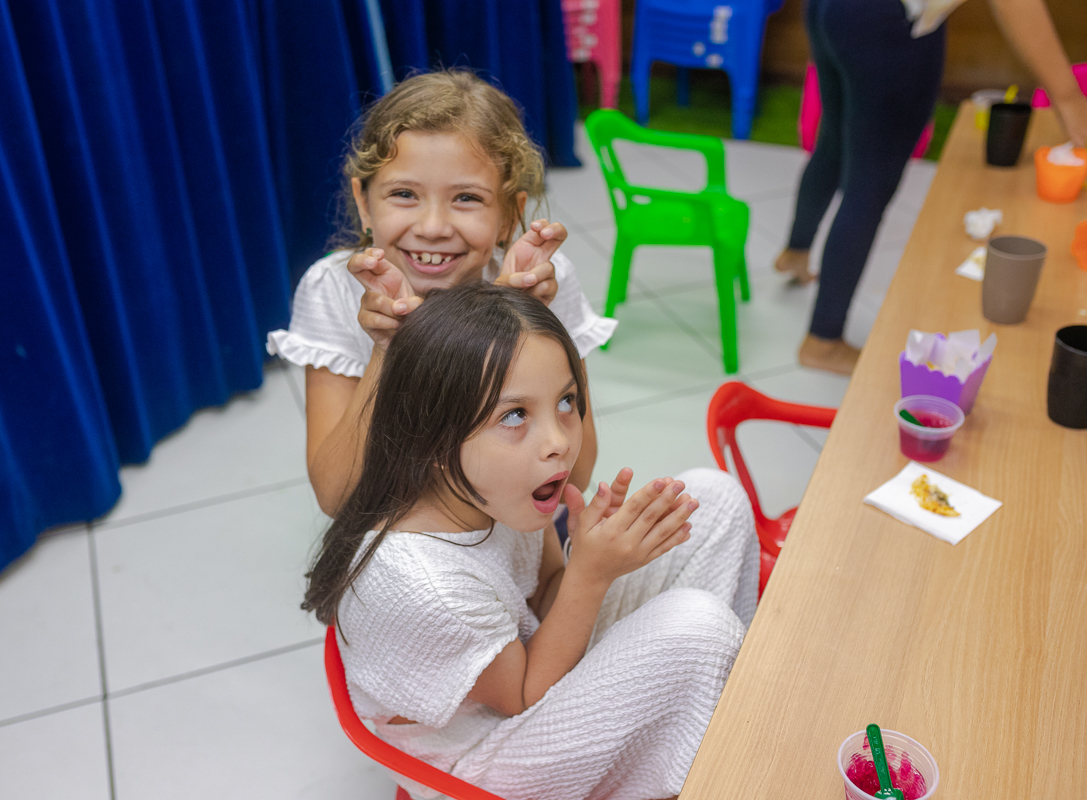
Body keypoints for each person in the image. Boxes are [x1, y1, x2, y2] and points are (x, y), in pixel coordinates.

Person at [303, 283, 760, 800]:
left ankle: (703, 715)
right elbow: (519, 696)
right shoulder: (420, 583)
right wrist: (590, 572)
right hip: (481, 759)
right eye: (515, 415)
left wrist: (587, 555)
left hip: (535, 666)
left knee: (715, 498)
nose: (560, 441)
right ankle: (698, 737)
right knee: (696, 625)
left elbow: (545, 596)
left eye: (566, 401)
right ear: (429, 438)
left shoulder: (499, 494)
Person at [267, 70, 616, 516]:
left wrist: (518, 322)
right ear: (364, 202)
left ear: (510, 215)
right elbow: (338, 499)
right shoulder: (331, 289)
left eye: (467, 198)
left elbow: (576, 478)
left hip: (519, 527)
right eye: (404, 194)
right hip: (399, 533)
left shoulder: (542, 281)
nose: (432, 228)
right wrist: (391, 349)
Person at [776, 0, 1087, 375]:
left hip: (832, 9)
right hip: (885, 20)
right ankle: (823, 342)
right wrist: (1068, 99)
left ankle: (795, 253)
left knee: (833, 140)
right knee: (870, 185)